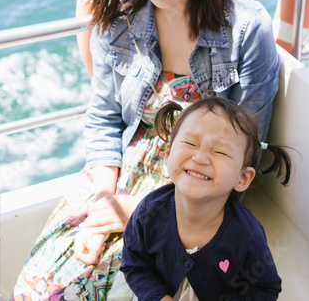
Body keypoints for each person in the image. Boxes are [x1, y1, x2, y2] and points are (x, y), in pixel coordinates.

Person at [11, 0, 280, 300]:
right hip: (116, 177)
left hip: (196, 195)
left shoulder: (247, 30)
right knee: (46, 287)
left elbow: (243, 154)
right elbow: (103, 121)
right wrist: (104, 200)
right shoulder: (117, 24)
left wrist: (144, 214)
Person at [121, 97, 292, 300]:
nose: (200, 158)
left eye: (219, 151)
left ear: (242, 178)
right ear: (168, 154)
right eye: (190, 143)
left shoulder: (247, 235)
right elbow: (134, 265)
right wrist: (157, 296)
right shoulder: (149, 212)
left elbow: (264, 289)